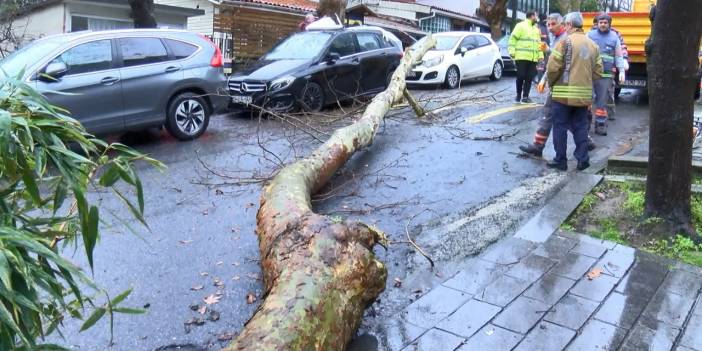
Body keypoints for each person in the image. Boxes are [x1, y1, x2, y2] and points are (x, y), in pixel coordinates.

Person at [519, 13, 597, 157]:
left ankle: (549, 151)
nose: (549, 27)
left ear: (565, 24)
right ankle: (584, 145)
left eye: (553, 24)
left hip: (561, 87)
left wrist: (548, 80)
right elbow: (595, 69)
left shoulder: (564, 40)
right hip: (575, 88)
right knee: (566, 118)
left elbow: (555, 66)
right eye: (548, 24)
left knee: (555, 117)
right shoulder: (587, 42)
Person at [546, 12, 603, 171]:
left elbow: (552, 69)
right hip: (583, 96)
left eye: (565, 24)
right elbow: (598, 72)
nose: (564, 26)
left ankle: (561, 161)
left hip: (563, 95)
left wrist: (552, 84)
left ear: (570, 25)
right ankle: (583, 160)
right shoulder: (593, 45)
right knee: (581, 127)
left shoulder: (564, 43)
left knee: (560, 127)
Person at [587, 13, 627, 135]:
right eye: (601, 22)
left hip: (606, 74)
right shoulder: (589, 35)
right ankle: (586, 124)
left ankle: (600, 124)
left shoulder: (614, 37)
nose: (603, 24)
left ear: (609, 24)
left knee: (602, 101)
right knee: (588, 99)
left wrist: (621, 71)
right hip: (590, 73)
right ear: (597, 23)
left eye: (605, 23)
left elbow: (619, 55)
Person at [508, 10, 544, 104]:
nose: (537, 18)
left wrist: (540, 55)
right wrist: (512, 52)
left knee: (529, 78)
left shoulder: (536, 29)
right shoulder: (520, 26)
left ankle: (525, 97)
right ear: (532, 16)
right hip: (521, 57)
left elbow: (539, 44)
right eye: (536, 16)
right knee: (520, 76)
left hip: (533, 58)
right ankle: (518, 95)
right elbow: (512, 39)